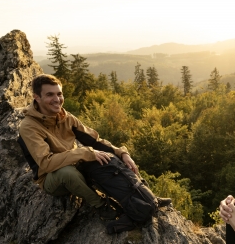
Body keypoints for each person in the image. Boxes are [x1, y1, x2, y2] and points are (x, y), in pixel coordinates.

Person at [18, 74, 169, 233]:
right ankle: (101, 206)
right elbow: (46, 163)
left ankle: (143, 195)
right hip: (52, 178)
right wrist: (83, 153)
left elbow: (95, 141)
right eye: (50, 95)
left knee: (105, 158)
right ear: (37, 97)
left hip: (74, 164)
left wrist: (122, 153)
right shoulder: (29, 127)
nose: (57, 99)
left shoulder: (66, 117)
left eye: (59, 94)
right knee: (68, 172)